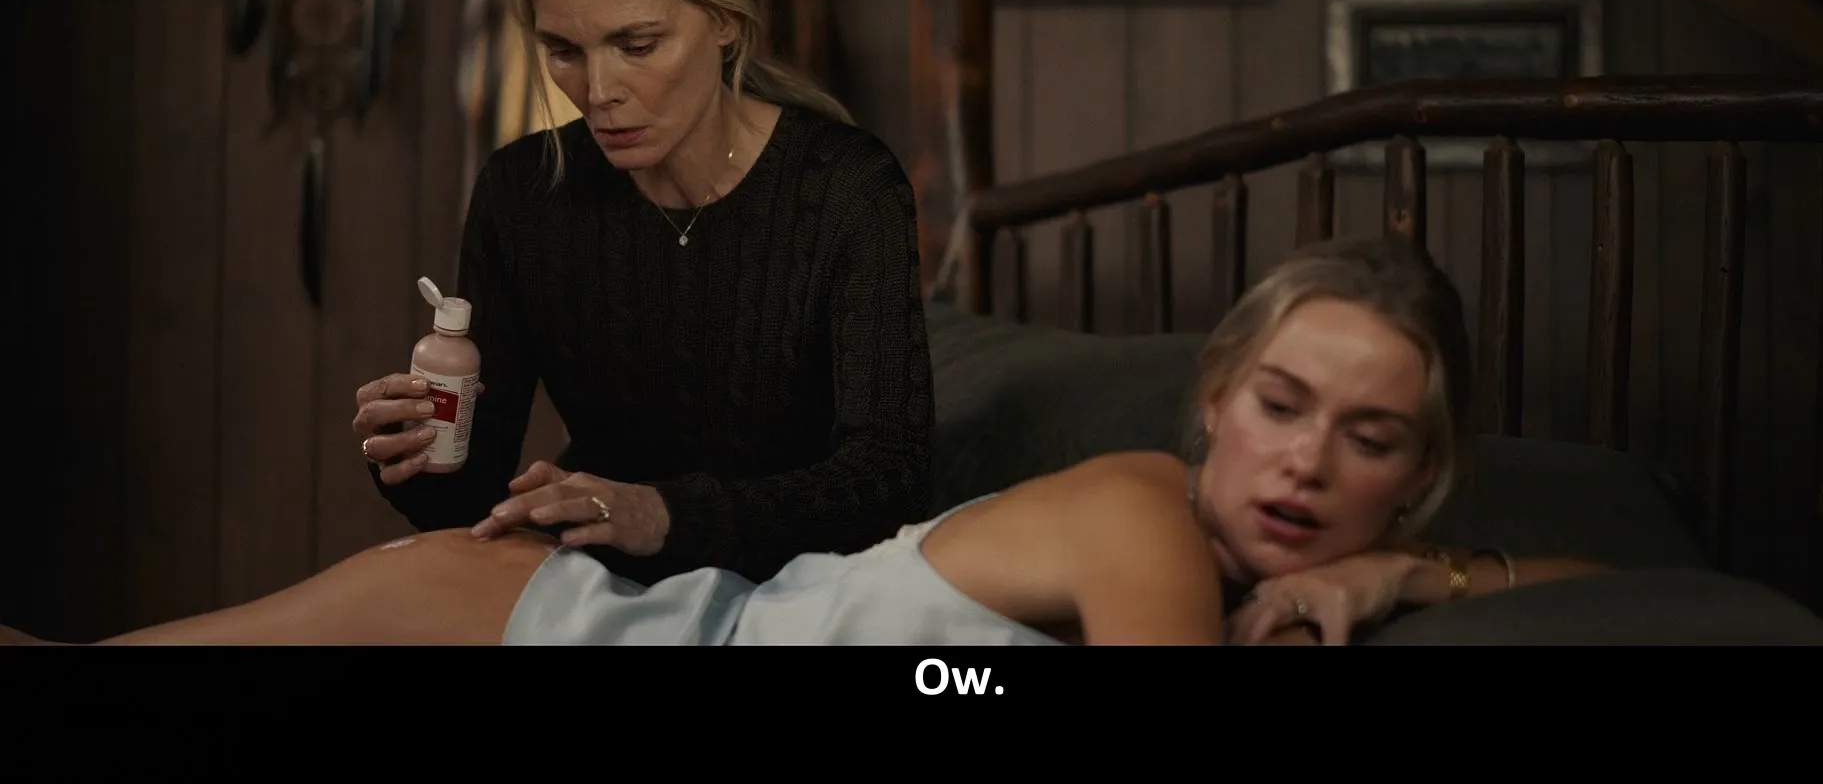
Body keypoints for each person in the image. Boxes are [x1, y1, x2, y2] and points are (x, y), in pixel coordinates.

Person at [4, 236, 1607, 647]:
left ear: (1419, 475)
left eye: (1369, 437)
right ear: (1214, 402)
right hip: (541, 625)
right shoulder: (1142, 516)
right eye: (1282, 405)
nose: (1308, 462)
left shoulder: (1263, 572)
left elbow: (1612, 579)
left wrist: (1407, 576)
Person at [350, 0, 936, 587]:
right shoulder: (523, 193)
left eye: (636, 45)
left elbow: (890, 480)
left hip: (805, 588)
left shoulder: (848, 189)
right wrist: (414, 455)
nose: (598, 91)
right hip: (595, 578)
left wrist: (666, 516)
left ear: (726, 20)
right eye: (564, 50)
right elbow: (470, 501)